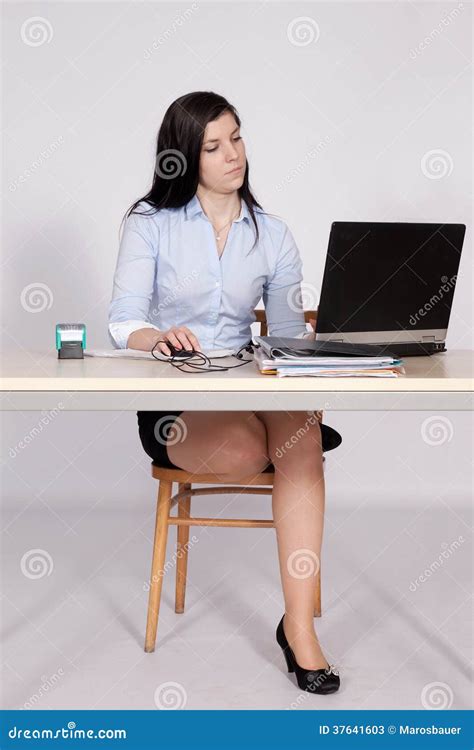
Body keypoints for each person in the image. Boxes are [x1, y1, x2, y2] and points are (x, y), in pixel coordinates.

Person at [108, 91, 342, 694]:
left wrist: (323, 331)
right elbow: (122, 318)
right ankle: (299, 455)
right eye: (213, 146)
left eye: (236, 138)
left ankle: (299, 631)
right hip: (180, 401)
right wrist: (157, 337)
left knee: (298, 429)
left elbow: (286, 336)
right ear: (184, 158)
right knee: (280, 444)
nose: (233, 154)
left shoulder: (272, 233)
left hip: (250, 381)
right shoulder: (149, 224)